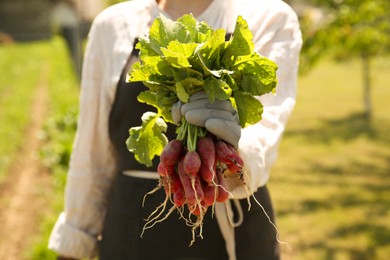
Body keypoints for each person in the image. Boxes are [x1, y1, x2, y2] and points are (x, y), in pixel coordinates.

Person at [48, 0, 302, 259]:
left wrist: (231, 151)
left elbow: (264, 130)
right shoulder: (113, 24)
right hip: (132, 228)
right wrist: (73, 243)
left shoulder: (268, 16)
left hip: (232, 223)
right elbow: (92, 154)